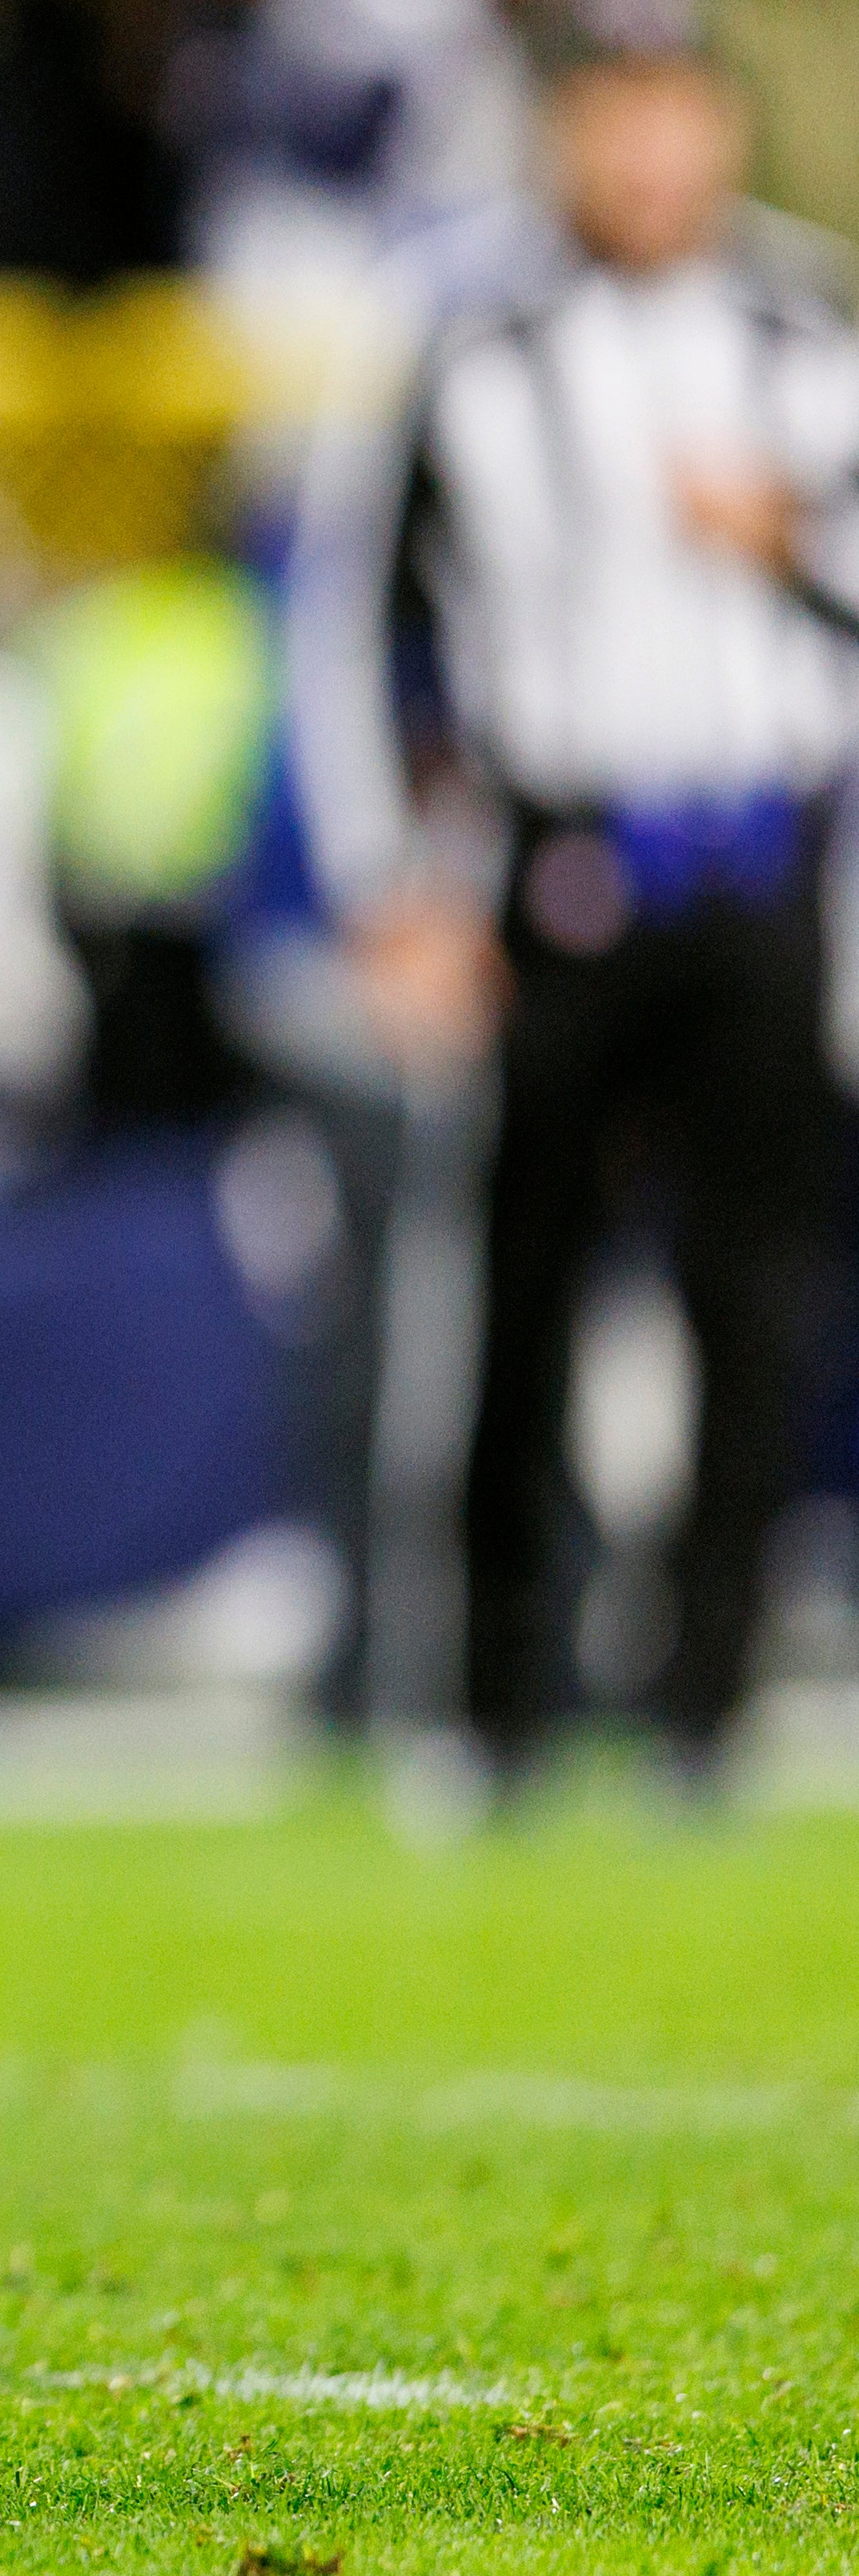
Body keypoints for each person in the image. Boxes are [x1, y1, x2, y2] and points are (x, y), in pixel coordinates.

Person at [287, 12, 859, 1800]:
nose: (643, 159)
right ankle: (491, 1701)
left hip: (765, 859)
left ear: (718, 132)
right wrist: (391, 887)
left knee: (749, 1302)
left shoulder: (812, 322)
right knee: (510, 1293)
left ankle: (705, 1703)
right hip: (555, 861)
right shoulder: (461, 332)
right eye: (610, 120)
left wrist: (793, 544)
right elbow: (348, 626)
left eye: (671, 120)